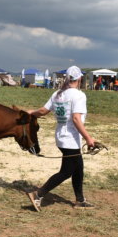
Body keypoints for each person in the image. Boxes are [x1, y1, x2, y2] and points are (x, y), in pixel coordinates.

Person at [26, 66, 96, 211]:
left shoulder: (58, 94)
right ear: (80, 79)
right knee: (66, 171)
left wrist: (32, 112)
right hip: (70, 139)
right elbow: (76, 119)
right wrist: (89, 139)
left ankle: (80, 200)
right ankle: (38, 194)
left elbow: (44, 111)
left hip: (61, 137)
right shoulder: (78, 95)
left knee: (78, 168)